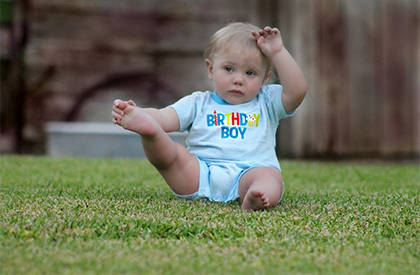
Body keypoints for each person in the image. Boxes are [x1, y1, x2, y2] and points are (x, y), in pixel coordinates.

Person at [112, 22, 307, 211]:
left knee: (270, 177)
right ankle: (150, 133)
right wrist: (140, 114)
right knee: (175, 155)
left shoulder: (267, 102)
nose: (238, 80)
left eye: (250, 73)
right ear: (211, 69)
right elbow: (165, 117)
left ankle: (256, 196)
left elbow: (297, 91)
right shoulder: (198, 103)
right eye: (229, 69)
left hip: (250, 172)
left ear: (264, 79)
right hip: (200, 173)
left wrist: (278, 52)